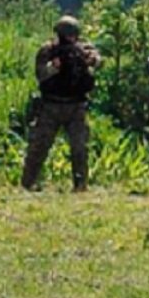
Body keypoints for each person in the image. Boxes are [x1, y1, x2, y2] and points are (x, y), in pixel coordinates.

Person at [21, 15, 101, 192]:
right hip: (51, 106)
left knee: (79, 147)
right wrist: (53, 67)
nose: (70, 39)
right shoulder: (48, 51)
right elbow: (40, 74)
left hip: (76, 106)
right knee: (39, 146)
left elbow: (97, 60)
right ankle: (28, 182)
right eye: (67, 35)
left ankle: (80, 184)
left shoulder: (82, 49)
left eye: (72, 35)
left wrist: (89, 60)